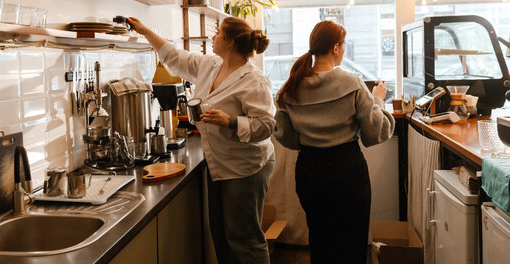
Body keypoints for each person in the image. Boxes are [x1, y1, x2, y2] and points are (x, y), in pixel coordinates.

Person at [128, 16, 276, 264]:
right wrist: (145, 30)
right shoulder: (210, 65)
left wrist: (229, 121)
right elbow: (173, 56)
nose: (213, 37)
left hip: (246, 168)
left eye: (218, 33)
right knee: (221, 235)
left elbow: (267, 125)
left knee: (244, 240)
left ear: (229, 42)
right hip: (219, 164)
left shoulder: (253, 80)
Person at [273, 20, 395, 264]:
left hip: (309, 171)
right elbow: (375, 132)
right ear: (336, 48)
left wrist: (309, 141)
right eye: (344, 45)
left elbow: (284, 134)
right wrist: (378, 100)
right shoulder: (352, 83)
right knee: (351, 242)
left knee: (320, 239)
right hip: (347, 172)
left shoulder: (291, 87)